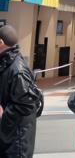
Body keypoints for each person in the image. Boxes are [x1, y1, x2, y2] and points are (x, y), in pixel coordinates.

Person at [0, 25, 43, 158]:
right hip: (11, 136)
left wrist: (3, 114)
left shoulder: (17, 69)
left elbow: (25, 105)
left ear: (1, 43)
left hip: (17, 142)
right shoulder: (8, 62)